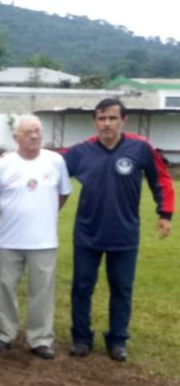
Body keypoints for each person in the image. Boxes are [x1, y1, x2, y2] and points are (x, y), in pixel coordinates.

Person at [64, 98, 174, 362]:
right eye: (102, 119)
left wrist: (165, 213)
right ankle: (81, 338)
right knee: (82, 287)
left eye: (112, 118)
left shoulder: (140, 148)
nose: (107, 124)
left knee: (122, 289)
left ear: (123, 120)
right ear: (95, 122)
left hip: (124, 234)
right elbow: (46, 165)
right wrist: (13, 156)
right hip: (87, 233)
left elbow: (160, 179)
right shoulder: (80, 152)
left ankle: (117, 340)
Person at [0, 116, 72, 359]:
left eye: (37, 131)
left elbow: (64, 193)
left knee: (42, 291)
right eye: (28, 132)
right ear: (16, 137)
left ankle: (41, 338)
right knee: (5, 288)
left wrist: (46, 213)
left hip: (44, 241)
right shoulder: (2, 165)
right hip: (9, 240)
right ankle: (4, 334)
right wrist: (12, 212)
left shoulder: (55, 161)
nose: (34, 136)